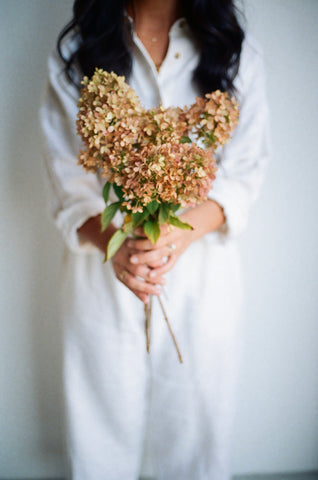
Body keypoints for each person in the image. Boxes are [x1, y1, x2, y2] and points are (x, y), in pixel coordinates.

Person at [39, 0, 269, 479]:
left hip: (202, 279)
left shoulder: (234, 52)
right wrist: (119, 246)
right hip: (102, 273)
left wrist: (175, 236)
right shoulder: (79, 53)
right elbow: (69, 181)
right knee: (98, 445)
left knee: (196, 447)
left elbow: (245, 172)